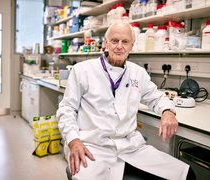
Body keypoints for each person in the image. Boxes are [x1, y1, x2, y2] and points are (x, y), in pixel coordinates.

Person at [57, 21, 191, 180]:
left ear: (132, 46)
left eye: (125, 41)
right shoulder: (82, 70)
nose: (119, 46)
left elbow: (157, 97)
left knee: (186, 175)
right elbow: (67, 110)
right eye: (114, 41)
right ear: (105, 43)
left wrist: (168, 111)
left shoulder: (138, 73)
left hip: (131, 148)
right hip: (92, 147)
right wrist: (73, 140)